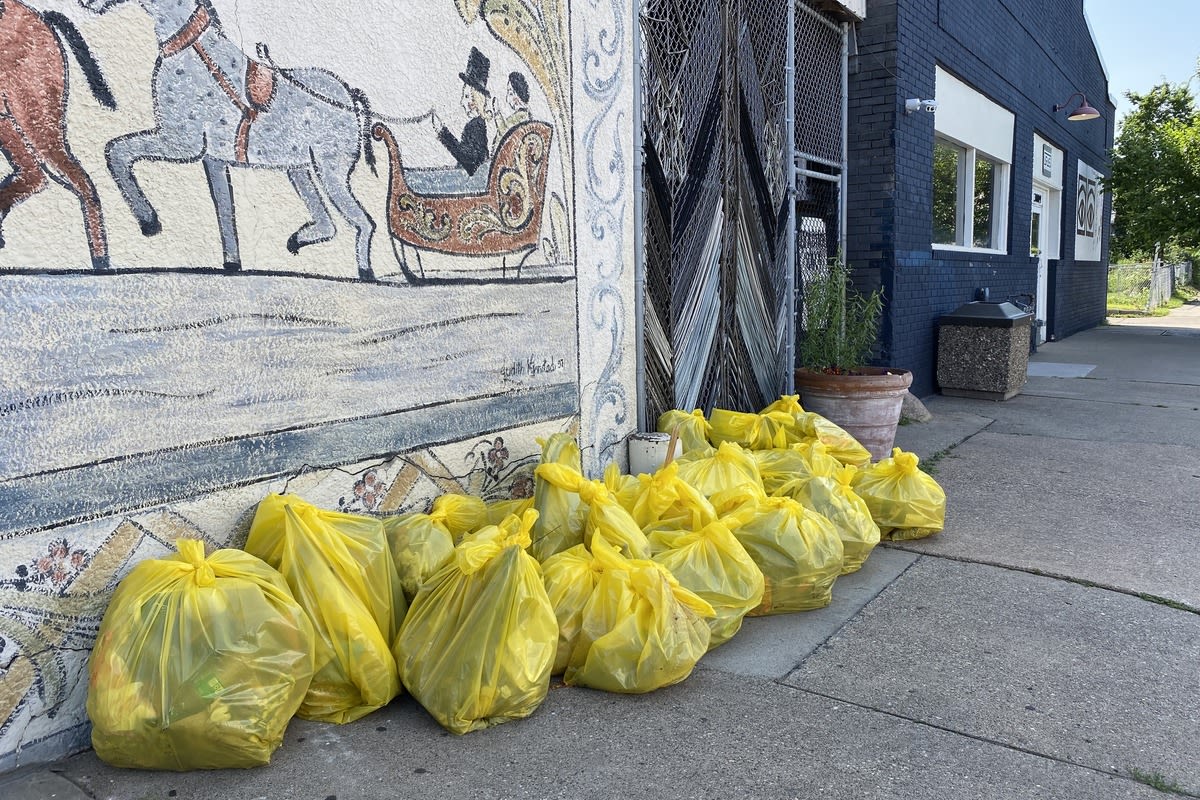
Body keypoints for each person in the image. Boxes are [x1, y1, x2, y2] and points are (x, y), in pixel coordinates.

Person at [430, 47, 491, 178]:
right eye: (464, 96)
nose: (463, 102)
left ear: (476, 101)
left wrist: (443, 133)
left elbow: (469, 161)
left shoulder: (476, 126)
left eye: (467, 96)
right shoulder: (477, 125)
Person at [491, 71, 531, 142]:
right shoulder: (522, 114)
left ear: (517, 96)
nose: (507, 99)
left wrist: (497, 113)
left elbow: (505, 133)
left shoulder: (521, 116)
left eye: (510, 93)